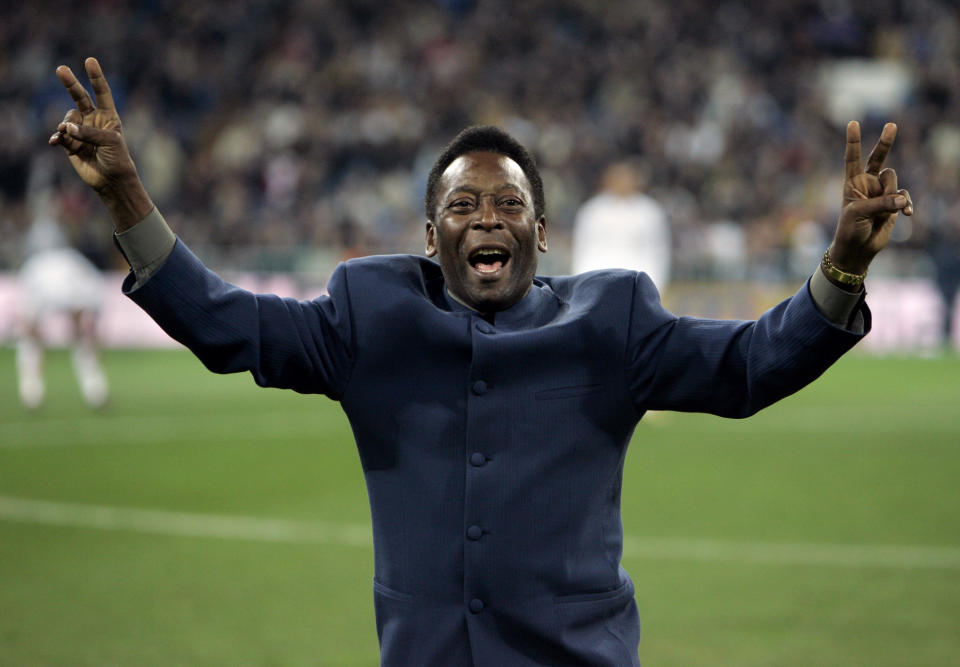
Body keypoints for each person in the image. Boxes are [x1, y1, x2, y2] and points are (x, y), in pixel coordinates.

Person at [50, 58, 913, 666]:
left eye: (510, 204)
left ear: (540, 234)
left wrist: (842, 266)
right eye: (463, 204)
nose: (487, 216)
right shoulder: (368, 316)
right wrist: (127, 195)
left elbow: (752, 365)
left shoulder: (612, 319)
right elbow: (225, 323)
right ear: (432, 238)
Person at [15, 185, 109, 410]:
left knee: (29, 342)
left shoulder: (33, 266)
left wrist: (37, 336)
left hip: (43, 287)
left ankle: (31, 394)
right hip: (72, 290)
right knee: (81, 339)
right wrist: (91, 333)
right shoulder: (73, 260)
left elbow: (28, 323)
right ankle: (96, 391)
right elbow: (92, 303)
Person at [571, 161, 671, 291]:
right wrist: (579, 282)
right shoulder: (592, 211)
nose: (622, 182)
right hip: (597, 280)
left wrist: (657, 284)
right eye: (617, 178)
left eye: (626, 178)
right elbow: (582, 248)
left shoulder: (650, 212)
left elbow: (659, 251)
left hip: (638, 282)